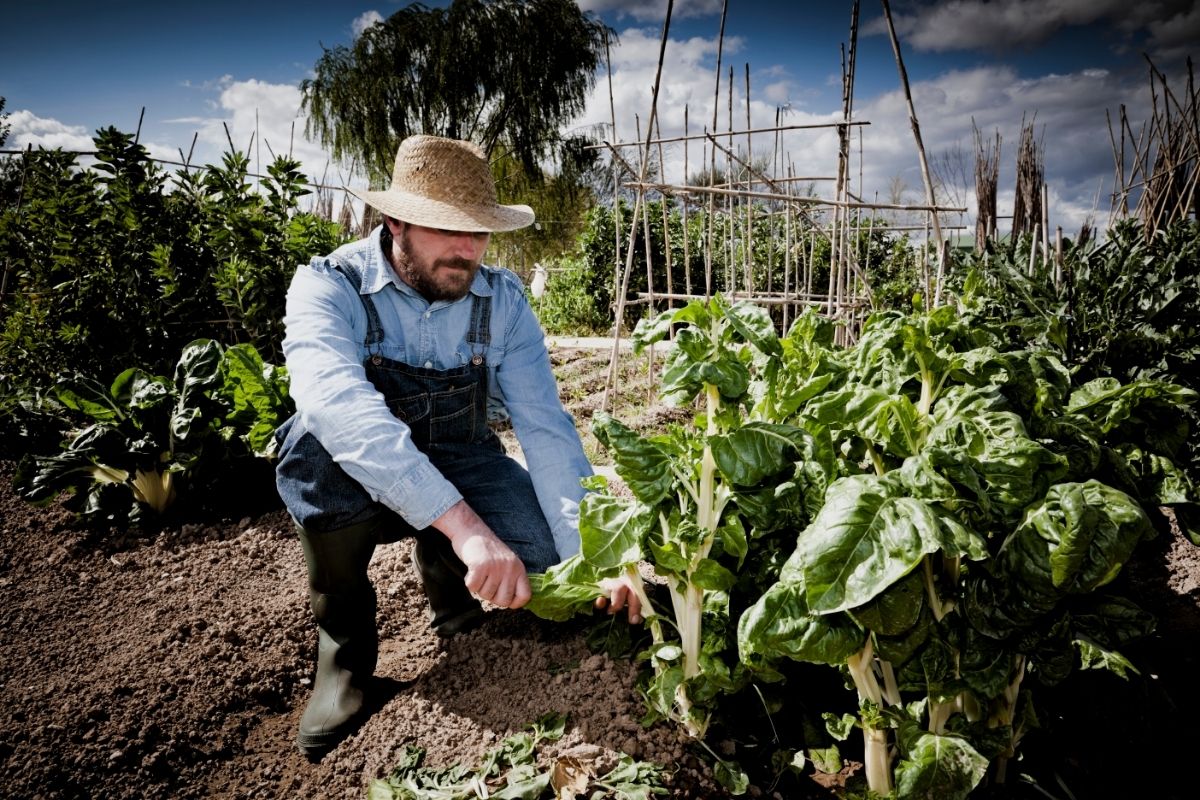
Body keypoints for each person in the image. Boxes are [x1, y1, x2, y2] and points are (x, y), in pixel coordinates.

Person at [273, 134, 641, 757]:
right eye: (447, 230)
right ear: (395, 222)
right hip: (351, 478)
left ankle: (455, 599)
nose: (467, 250)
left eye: (480, 232)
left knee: (553, 556)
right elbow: (340, 408)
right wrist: (466, 527)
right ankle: (344, 656)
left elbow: (546, 430)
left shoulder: (503, 303)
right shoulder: (329, 288)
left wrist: (597, 553)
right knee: (313, 442)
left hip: (461, 454)